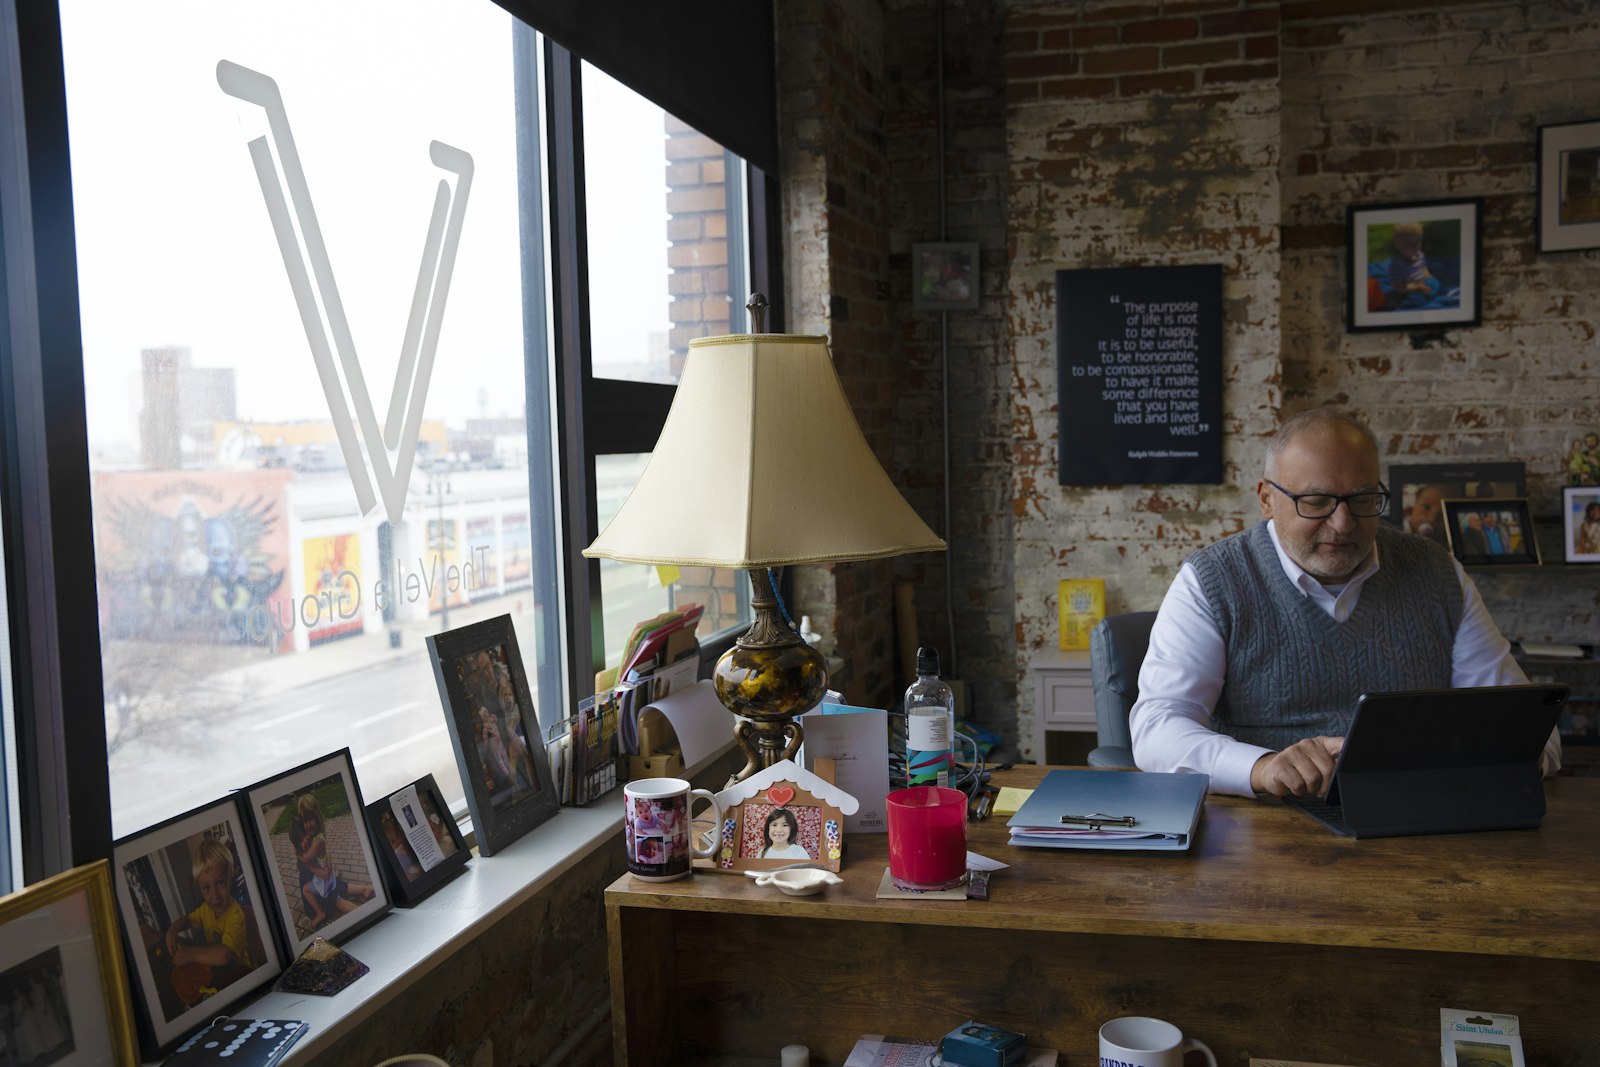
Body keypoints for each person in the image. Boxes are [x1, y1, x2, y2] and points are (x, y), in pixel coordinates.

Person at [1129, 409, 1561, 798]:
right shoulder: (1214, 580)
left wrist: (1509, 759)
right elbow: (1157, 728)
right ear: (1267, 499)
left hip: (1416, 815)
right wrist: (1262, 768)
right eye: (1315, 501)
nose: (1343, 524)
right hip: (1265, 824)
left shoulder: (1436, 572)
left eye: (1362, 500)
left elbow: (1528, 724)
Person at [164, 838, 254, 1000]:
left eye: (219, 883)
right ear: (200, 888)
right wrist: (173, 928)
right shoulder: (206, 910)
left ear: (229, 878)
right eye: (206, 888)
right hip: (216, 971)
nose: (215, 895)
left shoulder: (236, 915)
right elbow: (189, 920)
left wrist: (190, 954)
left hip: (240, 975)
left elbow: (224, 955)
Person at [288, 792, 375, 926]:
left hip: (323, 881)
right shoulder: (315, 836)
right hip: (324, 878)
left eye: (310, 819)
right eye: (305, 821)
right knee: (340, 886)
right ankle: (365, 888)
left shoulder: (317, 841)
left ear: (317, 817)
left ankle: (367, 914)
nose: (308, 825)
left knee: (338, 901)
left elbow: (306, 858)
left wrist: (299, 854)